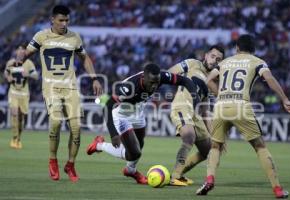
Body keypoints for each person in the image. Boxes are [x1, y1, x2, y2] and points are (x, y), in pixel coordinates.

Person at [196, 34, 290, 198]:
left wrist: (220, 95)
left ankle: (209, 179)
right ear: (253, 49)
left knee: (215, 146)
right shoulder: (257, 62)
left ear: (237, 48)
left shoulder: (225, 62)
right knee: (259, 146)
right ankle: (277, 189)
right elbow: (269, 79)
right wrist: (284, 99)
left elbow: (209, 79)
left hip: (221, 107)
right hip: (241, 105)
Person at [19, 5, 102, 182]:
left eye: (67, 20)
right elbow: (27, 52)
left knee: (77, 129)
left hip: (70, 87)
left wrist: (94, 78)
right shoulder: (41, 36)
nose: (64, 24)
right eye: (61, 20)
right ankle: (53, 160)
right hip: (51, 87)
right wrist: (21, 56)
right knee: (55, 122)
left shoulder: (74, 38)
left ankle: (70, 165)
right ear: (53, 20)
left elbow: (85, 57)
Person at [86, 63, 205, 184]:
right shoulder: (128, 87)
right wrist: (113, 134)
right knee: (134, 153)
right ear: (143, 77)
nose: (154, 86)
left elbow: (185, 81)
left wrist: (195, 97)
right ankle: (99, 145)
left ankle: (130, 170)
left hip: (138, 110)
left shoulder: (160, 77)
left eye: (156, 83)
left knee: (140, 144)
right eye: (151, 82)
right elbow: (108, 106)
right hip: (121, 114)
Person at [167, 45, 225, 186]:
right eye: (212, 56)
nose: (214, 61)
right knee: (189, 136)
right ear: (206, 55)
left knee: (208, 150)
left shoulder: (210, 82)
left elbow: (205, 112)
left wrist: (215, 136)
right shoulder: (192, 63)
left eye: (218, 59)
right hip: (181, 105)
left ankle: (179, 173)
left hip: (195, 114)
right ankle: (174, 177)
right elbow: (169, 73)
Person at [4, 44, 38, 149]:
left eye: (22, 50)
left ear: (25, 52)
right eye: (18, 50)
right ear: (16, 52)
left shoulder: (29, 63)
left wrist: (28, 74)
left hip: (24, 93)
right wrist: (8, 78)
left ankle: (18, 138)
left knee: (21, 117)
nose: (20, 52)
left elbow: (36, 76)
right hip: (13, 92)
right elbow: (6, 72)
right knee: (14, 113)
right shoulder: (11, 62)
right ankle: (14, 138)